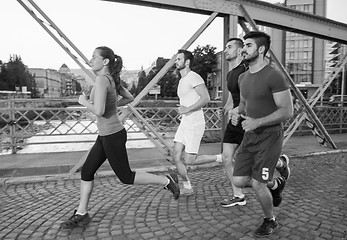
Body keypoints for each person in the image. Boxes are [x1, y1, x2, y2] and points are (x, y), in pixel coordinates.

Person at [61, 46, 180, 229]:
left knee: (126, 176)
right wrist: (113, 104)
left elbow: (99, 111)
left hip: (112, 135)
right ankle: (82, 212)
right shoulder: (111, 79)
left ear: (105, 61)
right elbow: (129, 97)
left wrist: (84, 102)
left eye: (93, 57)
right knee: (87, 172)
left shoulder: (102, 79)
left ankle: (166, 181)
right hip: (106, 135)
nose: (90, 60)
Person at [196, 38, 291, 208]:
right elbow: (236, 94)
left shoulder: (250, 67)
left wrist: (249, 114)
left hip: (251, 121)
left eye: (230, 47)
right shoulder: (233, 74)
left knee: (256, 166)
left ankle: (278, 166)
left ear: (240, 51)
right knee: (227, 158)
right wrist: (229, 108)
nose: (226, 50)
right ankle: (239, 195)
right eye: (225, 47)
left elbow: (259, 95)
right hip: (237, 118)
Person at [232, 31, 293, 237]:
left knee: (258, 183)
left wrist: (257, 121)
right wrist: (236, 112)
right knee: (239, 180)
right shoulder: (242, 77)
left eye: (247, 45)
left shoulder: (273, 75)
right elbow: (243, 104)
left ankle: (270, 220)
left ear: (261, 50)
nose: (243, 49)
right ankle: (276, 184)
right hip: (250, 136)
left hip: (270, 135)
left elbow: (287, 111)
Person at [173, 49, 210, 196]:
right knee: (176, 155)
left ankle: (220, 158)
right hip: (185, 122)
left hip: (195, 123)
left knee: (189, 160)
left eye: (179, 59)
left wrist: (187, 109)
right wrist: (183, 112)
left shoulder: (194, 76)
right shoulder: (182, 80)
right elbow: (187, 102)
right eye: (176, 59)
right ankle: (187, 187)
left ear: (187, 62)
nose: (176, 61)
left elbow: (206, 98)